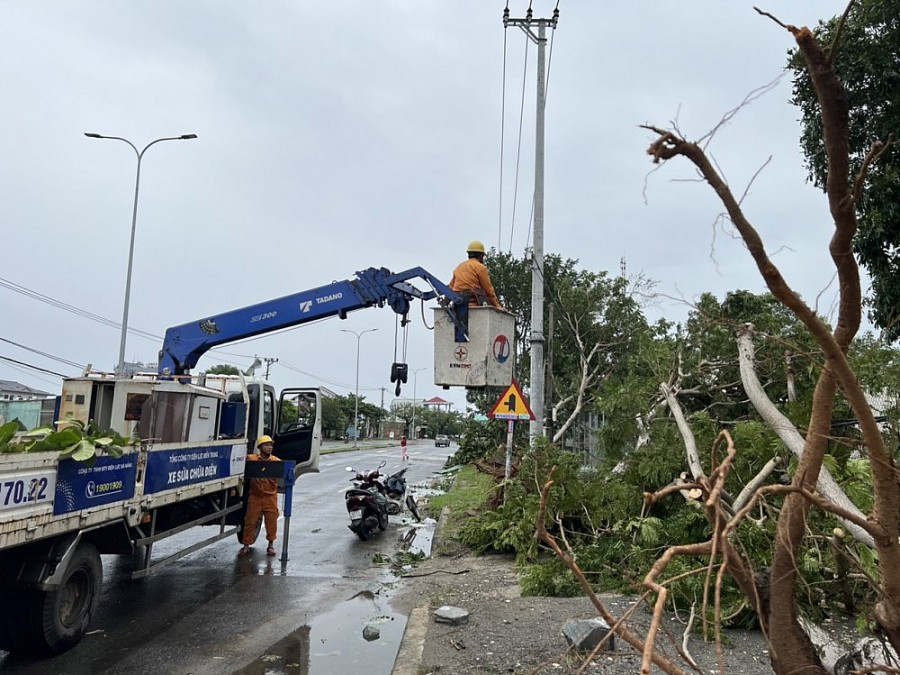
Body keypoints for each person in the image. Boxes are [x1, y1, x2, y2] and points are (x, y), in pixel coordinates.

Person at [238, 435, 281, 557]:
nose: (269, 447)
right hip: (255, 496)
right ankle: (246, 545)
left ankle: (271, 545)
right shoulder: (252, 459)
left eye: (270, 445)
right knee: (250, 521)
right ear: (260, 447)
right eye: (266, 445)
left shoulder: (276, 462)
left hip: (270, 497)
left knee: (271, 522)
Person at [449, 240, 502, 309]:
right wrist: (498, 306)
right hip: (473, 306)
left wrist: (446, 302)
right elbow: (489, 290)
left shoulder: (459, 267)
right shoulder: (480, 267)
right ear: (481, 255)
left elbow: (450, 288)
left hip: (457, 305)